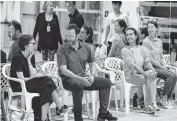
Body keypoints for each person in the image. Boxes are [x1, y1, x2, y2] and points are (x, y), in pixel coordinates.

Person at [57, 24, 117, 121]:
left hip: (84, 78)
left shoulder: (86, 47)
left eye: (70, 36)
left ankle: (103, 113)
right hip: (68, 80)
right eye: (66, 35)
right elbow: (64, 70)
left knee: (106, 83)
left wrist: (92, 76)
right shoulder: (62, 49)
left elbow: (92, 64)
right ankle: (78, 114)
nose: (67, 38)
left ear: (77, 36)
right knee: (78, 84)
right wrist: (81, 79)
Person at [10, 34, 68, 121]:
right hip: (19, 85)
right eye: (33, 44)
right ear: (26, 46)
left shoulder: (30, 56)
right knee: (47, 81)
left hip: (28, 83)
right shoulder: (17, 58)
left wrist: (29, 60)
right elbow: (21, 78)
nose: (35, 46)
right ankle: (58, 107)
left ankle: (44, 118)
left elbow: (32, 74)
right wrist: (36, 76)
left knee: (47, 87)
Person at [121, 27, 158, 114]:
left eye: (131, 34)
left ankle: (150, 105)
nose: (129, 36)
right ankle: (152, 104)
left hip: (140, 74)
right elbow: (133, 66)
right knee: (150, 78)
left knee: (151, 74)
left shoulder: (143, 49)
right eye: (127, 35)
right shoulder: (124, 50)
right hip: (130, 75)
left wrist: (153, 71)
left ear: (136, 36)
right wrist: (146, 73)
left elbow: (148, 62)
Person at [143, 20, 177, 109]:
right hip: (150, 67)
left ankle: (167, 99)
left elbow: (161, 57)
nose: (150, 29)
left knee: (174, 74)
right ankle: (163, 99)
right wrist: (162, 67)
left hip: (159, 67)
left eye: (152, 27)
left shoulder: (159, 41)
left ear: (156, 29)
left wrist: (165, 66)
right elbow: (149, 59)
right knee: (169, 75)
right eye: (148, 27)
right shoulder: (146, 42)